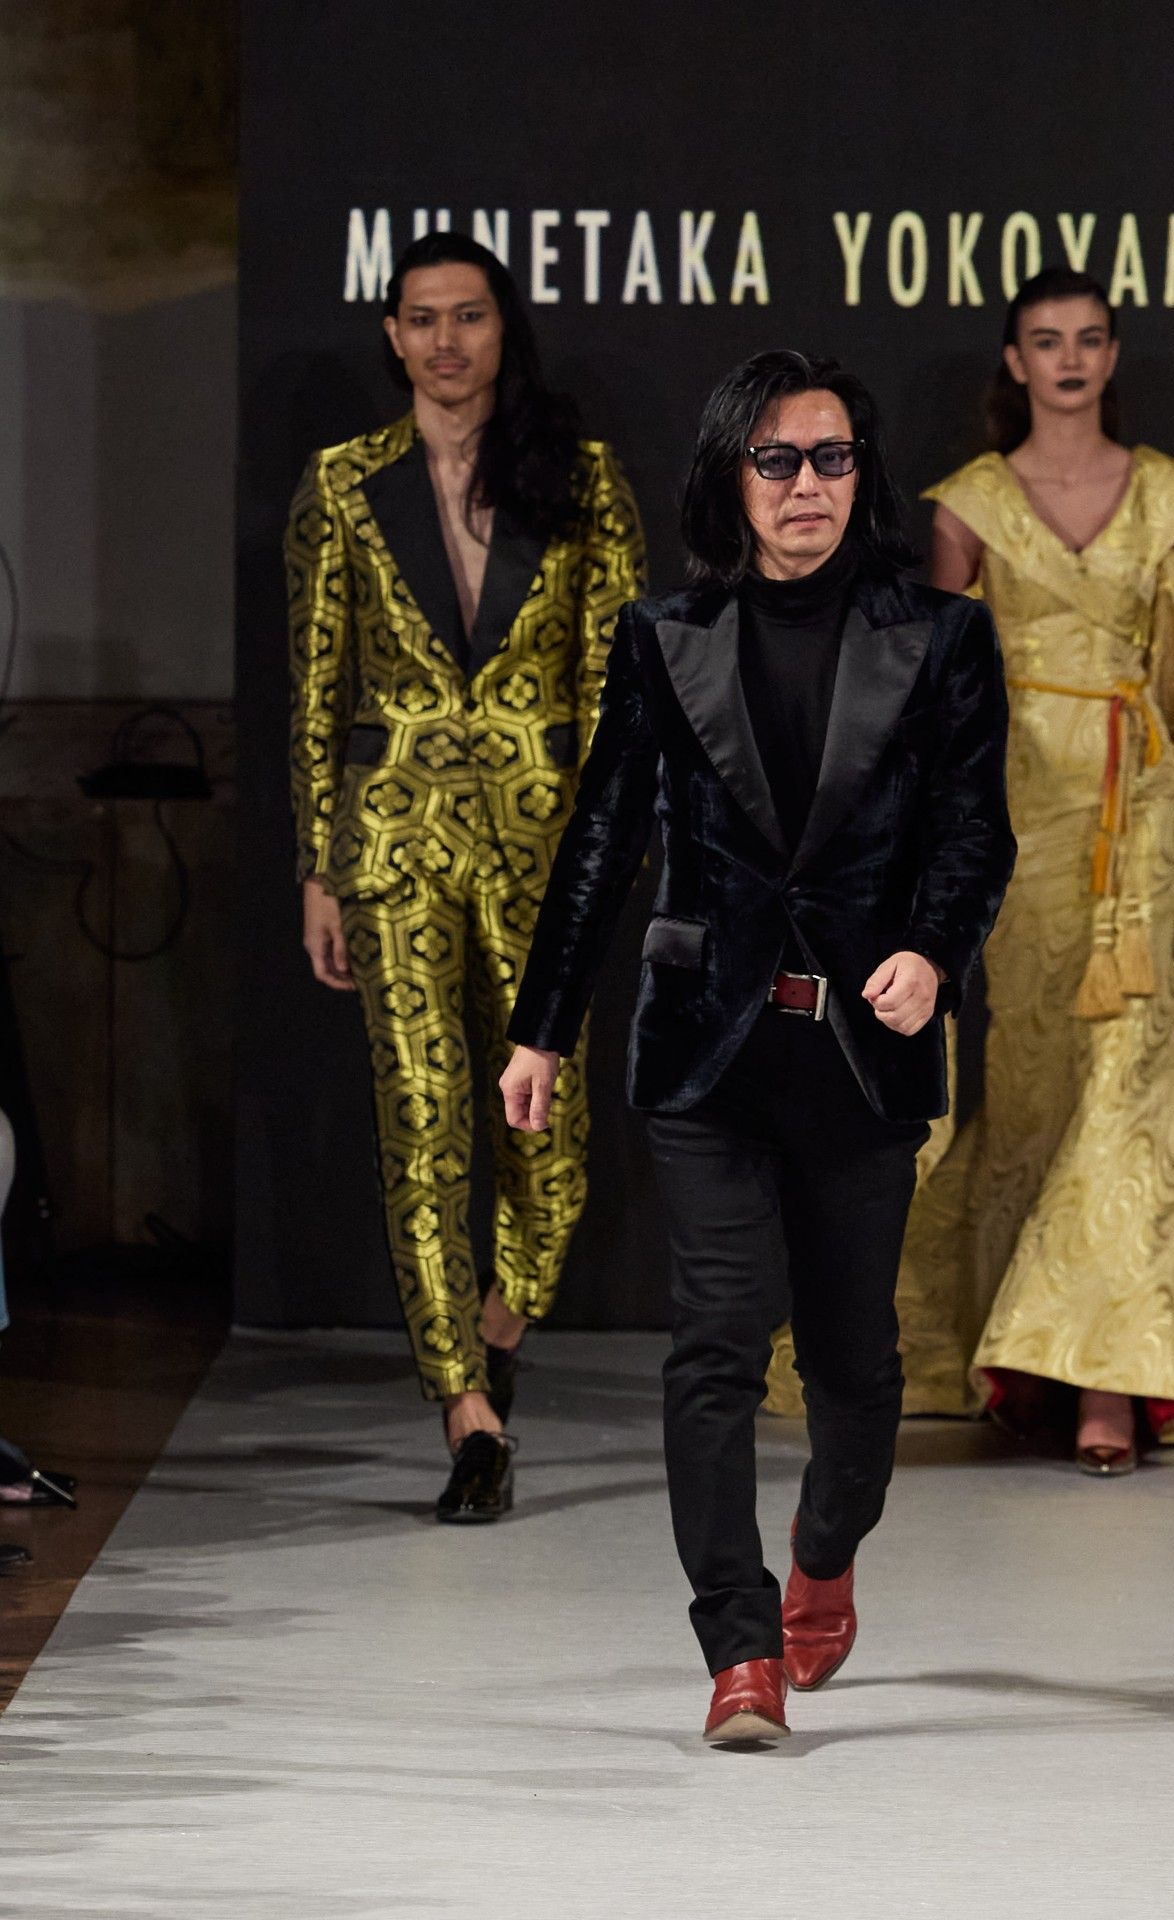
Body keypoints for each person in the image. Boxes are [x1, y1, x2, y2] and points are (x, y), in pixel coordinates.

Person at [500, 349, 1014, 1744]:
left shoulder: (943, 639)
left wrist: (933, 953)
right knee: (718, 1337)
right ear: (732, 476)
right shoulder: (664, 637)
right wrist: (543, 1027)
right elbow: (602, 840)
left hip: (861, 1049)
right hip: (708, 1047)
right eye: (778, 459)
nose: (806, 486)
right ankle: (738, 1648)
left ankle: (824, 1556)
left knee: (854, 1366)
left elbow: (976, 833)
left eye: (832, 458)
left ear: (864, 473)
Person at [849, 268, 1174, 1469]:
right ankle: (1024, 1359)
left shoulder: (1172, 498)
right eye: (1045, 341)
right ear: (1015, 362)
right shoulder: (969, 506)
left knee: (1130, 1078)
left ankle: (1111, 1387)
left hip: (1139, 817)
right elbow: (933, 692)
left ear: (1112, 355)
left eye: (1089, 339)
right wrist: (919, 845)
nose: (1068, 359)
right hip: (1016, 821)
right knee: (1036, 1088)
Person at [287, 231, 644, 1521]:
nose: (446, 340)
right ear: (392, 335)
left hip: (547, 844)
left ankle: (499, 1324)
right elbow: (316, 687)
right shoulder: (343, 482)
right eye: (423, 317)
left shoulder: (582, 475)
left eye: (469, 315)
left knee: (548, 1132)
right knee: (423, 1117)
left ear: (504, 329)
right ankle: (465, 1410)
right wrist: (318, 869)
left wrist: (611, 848)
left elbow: (619, 684)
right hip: (390, 842)